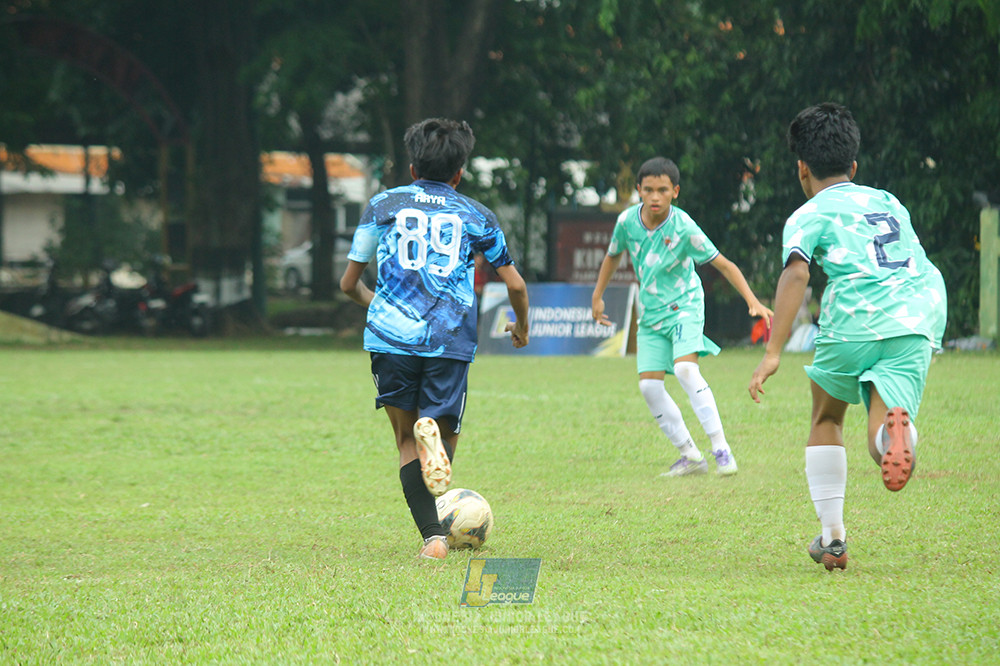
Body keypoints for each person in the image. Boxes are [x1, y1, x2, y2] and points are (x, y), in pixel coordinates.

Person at [748, 102, 947, 571]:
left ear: (802, 169)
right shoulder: (888, 200)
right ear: (853, 166)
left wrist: (773, 350)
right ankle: (894, 435)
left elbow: (797, 274)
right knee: (880, 427)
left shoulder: (807, 213)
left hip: (855, 316)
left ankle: (833, 538)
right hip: (917, 312)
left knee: (827, 416)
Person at [340, 118, 530, 561]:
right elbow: (516, 286)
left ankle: (433, 540)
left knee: (406, 440)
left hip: (390, 340)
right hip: (448, 340)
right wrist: (520, 326)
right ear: (459, 172)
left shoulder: (382, 206)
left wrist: (381, 307)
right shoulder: (476, 215)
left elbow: (349, 283)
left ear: (411, 168)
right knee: (442, 441)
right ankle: (438, 449)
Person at [592, 157, 773, 478]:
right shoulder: (626, 223)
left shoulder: (684, 226)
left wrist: (753, 301)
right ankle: (690, 456)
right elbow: (611, 256)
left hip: (685, 306)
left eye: (663, 190)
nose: (655, 197)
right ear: (639, 191)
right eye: (648, 190)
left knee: (686, 369)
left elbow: (724, 264)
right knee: (649, 388)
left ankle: (721, 449)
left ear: (675, 191)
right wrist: (598, 295)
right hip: (650, 316)